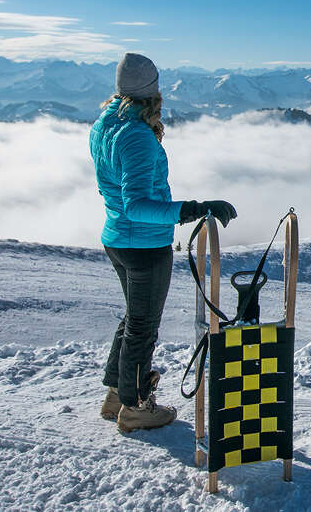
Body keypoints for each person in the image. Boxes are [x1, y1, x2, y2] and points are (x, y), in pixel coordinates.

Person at [89, 53, 236, 432]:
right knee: (143, 325)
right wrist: (192, 209)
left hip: (117, 238)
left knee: (132, 319)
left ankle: (115, 395)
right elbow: (137, 204)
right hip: (143, 245)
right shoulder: (136, 135)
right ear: (150, 91)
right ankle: (136, 406)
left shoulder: (105, 123)